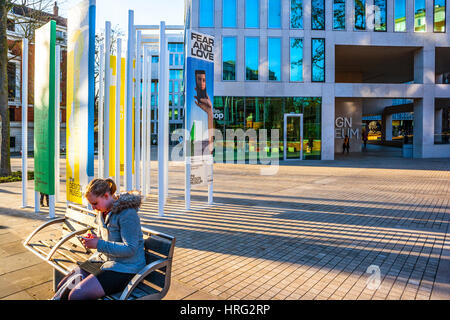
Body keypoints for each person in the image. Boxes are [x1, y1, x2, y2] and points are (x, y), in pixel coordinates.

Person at [52, 178, 146, 300]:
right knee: (63, 288)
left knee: (76, 295)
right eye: (91, 204)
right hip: (104, 261)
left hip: (126, 268)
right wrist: (95, 239)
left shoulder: (127, 214)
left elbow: (130, 248)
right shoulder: (103, 211)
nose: (93, 208)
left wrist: (99, 244)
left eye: (95, 203)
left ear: (106, 196)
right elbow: (104, 239)